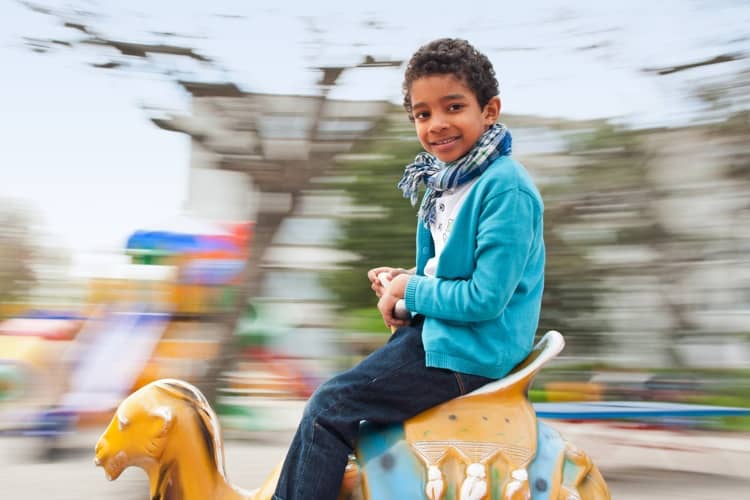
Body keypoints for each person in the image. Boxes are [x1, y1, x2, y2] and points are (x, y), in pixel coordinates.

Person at [273, 38, 545, 500]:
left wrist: (410, 288)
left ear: (490, 110)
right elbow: (444, 277)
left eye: (453, 106)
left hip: (473, 349)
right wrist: (402, 287)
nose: (437, 124)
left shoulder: (506, 187)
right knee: (345, 409)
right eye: (422, 114)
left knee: (328, 406)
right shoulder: (443, 185)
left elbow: (484, 298)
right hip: (442, 336)